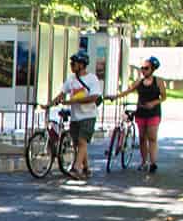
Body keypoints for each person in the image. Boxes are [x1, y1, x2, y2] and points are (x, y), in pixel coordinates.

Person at [107, 56, 167, 174]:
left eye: (146, 68)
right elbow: (128, 91)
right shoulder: (139, 81)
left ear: (152, 69)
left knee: (152, 137)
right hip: (141, 111)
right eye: (142, 68)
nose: (143, 70)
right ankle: (144, 161)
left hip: (153, 112)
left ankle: (153, 162)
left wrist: (153, 103)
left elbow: (164, 97)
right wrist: (115, 97)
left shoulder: (158, 81)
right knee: (142, 138)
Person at [58, 52, 100, 180]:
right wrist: (51, 103)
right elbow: (62, 93)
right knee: (79, 144)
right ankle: (86, 168)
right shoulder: (71, 79)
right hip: (76, 117)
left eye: (74, 63)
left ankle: (76, 168)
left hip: (88, 115)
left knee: (82, 141)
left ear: (82, 65)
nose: (71, 65)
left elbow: (94, 97)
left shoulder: (92, 79)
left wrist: (73, 101)